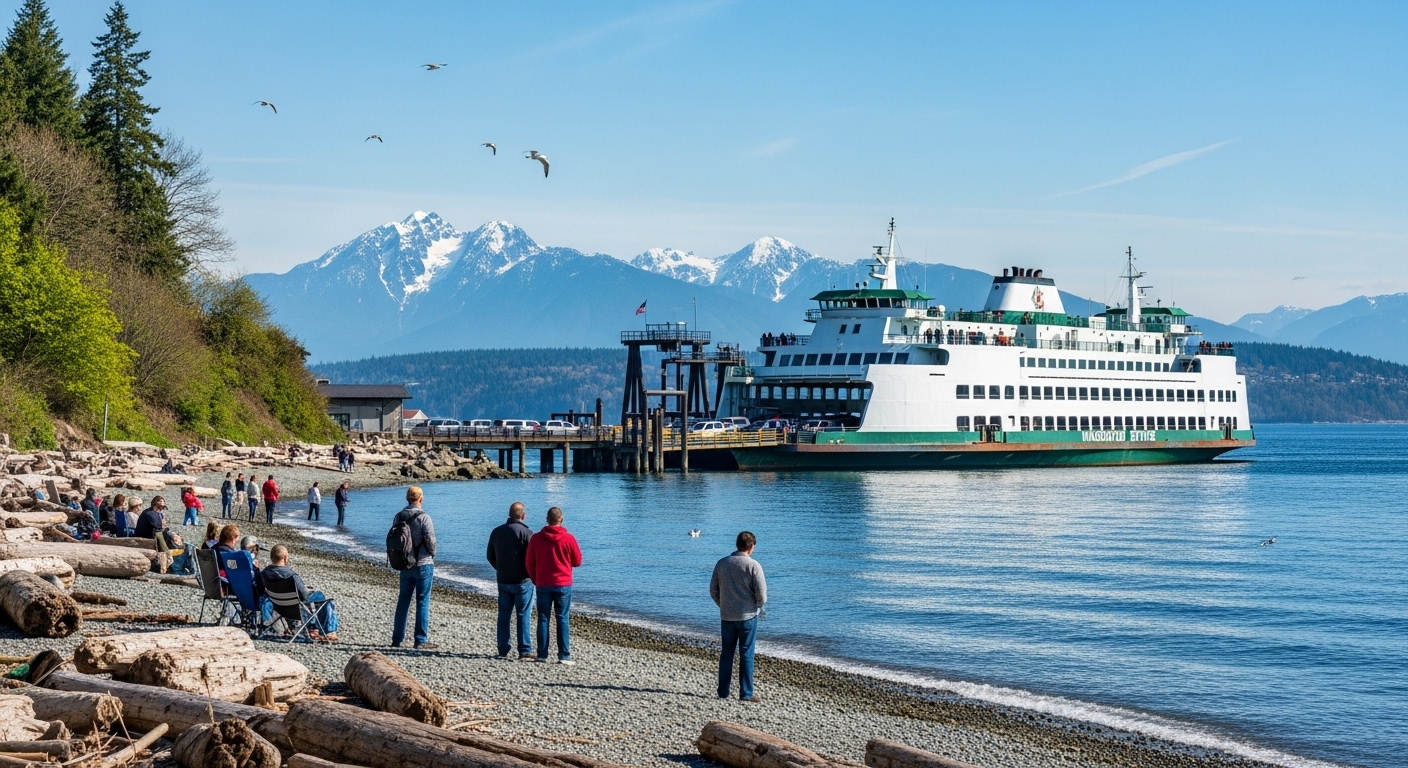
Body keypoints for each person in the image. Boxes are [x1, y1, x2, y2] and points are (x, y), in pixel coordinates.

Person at [710, 531, 767, 702]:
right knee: (747, 654)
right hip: (747, 616)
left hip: (727, 615)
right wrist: (757, 606)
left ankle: (723, 692)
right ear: (751, 547)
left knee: (727, 653)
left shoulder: (722, 563)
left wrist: (723, 604)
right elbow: (762, 595)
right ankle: (746, 694)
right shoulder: (753, 566)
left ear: (737, 545)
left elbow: (713, 590)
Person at [524, 506, 582, 664]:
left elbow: (529, 563)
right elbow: (577, 561)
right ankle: (564, 655)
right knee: (562, 618)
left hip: (543, 583)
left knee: (543, 618)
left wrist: (535, 579)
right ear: (561, 520)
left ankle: (542, 654)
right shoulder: (569, 538)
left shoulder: (536, 538)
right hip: (563, 583)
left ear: (547, 520)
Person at [391, 486, 438, 650]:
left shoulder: (399, 516)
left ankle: (397, 639)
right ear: (421, 499)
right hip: (423, 563)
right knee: (422, 601)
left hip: (405, 563)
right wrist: (432, 554)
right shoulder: (424, 517)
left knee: (403, 601)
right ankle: (420, 639)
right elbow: (431, 540)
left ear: (407, 498)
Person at [487, 502, 535, 660]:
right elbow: (532, 559)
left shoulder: (497, 531)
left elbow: (490, 555)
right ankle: (524, 650)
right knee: (523, 614)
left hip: (503, 579)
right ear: (523, 516)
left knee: (504, 614)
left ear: (509, 514)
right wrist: (531, 574)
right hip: (522, 580)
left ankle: (503, 648)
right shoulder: (527, 533)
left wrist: (499, 569)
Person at [262, 544, 339, 642]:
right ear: (285, 557)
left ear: (271, 557)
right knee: (322, 597)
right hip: (296, 610)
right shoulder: (291, 576)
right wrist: (307, 590)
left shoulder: (264, 573)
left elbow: (261, 589)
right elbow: (304, 595)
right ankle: (329, 631)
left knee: (310, 596)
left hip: (279, 608)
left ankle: (314, 628)